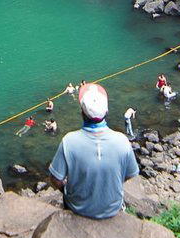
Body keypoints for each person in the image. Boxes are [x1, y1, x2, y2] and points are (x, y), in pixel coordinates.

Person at [48, 82, 139, 220]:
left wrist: (67, 189)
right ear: (107, 112)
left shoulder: (69, 141)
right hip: (112, 209)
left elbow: (55, 178)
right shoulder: (122, 141)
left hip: (78, 208)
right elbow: (131, 173)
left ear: (81, 113)